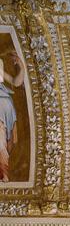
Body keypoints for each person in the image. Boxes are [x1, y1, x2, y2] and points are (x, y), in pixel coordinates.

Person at [0, 51, 24, 181]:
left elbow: (16, 82)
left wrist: (21, 66)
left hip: (2, 108)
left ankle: (3, 174)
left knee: (1, 143)